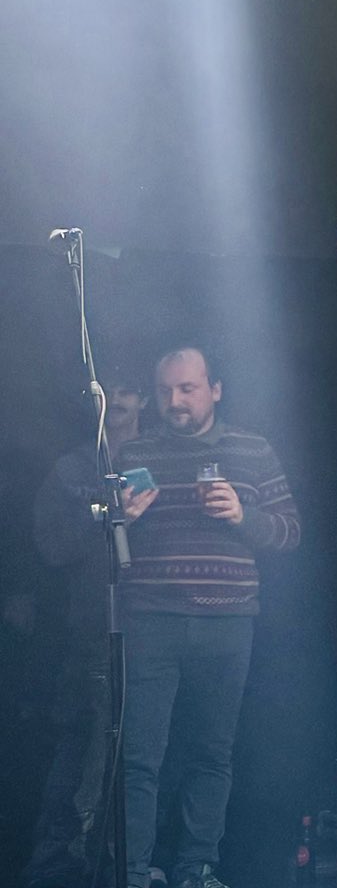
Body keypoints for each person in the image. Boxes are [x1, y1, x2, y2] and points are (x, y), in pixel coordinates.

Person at [104, 346, 299, 888]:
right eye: (166, 390)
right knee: (141, 755)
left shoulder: (252, 450)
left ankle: (198, 869)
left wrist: (244, 516)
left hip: (227, 622)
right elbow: (99, 543)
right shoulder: (134, 452)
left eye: (187, 389)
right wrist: (123, 518)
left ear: (214, 389)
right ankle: (135, 872)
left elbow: (291, 531)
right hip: (150, 621)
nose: (175, 401)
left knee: (212, 752)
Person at [25, 372, 148, 888]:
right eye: (105, 390)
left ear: (142, 397)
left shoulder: (163, 459)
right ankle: (65, 868)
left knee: (143, 761)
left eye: (125, 387)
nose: (115, 398)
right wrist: (104, 519)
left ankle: (137, 863)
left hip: (161, 630)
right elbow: (49, 548)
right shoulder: (72, 468)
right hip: (92, 630)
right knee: (86, 756)